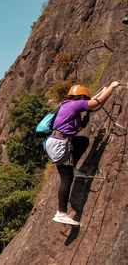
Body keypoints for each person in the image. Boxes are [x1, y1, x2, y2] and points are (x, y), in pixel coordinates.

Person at [45, 81, 120, 225]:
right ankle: (61, 212)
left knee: (82, 142)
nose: (85, 102)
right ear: (80, 97)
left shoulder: (68, 105)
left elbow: (90, 103)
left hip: (57, 141)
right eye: (84, 99)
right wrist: (111, 87)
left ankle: (72, 167)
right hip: (58, 143)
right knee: (66, 178)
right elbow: (96, 102)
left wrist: (102, 90)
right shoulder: (75, 105)